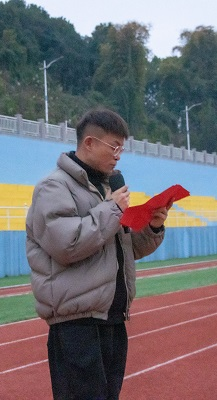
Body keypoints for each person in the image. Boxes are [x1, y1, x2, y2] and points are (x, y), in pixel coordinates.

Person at [26, 108, 171, 399]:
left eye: (122, 149)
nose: (118, 156)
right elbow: (67, 245)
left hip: (112, 318)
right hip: (77, 324)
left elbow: (125, 248)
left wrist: (153, 226)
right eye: (114, 147)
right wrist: (113, 209)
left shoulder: (106, 190)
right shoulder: (53, 187)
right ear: (89, 143)